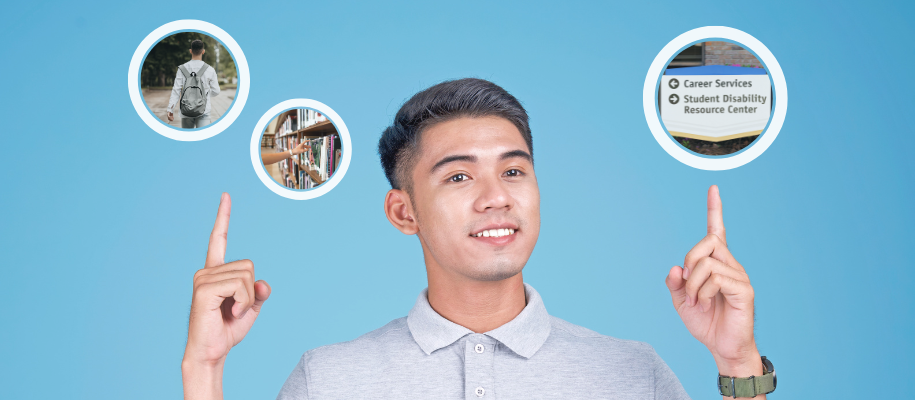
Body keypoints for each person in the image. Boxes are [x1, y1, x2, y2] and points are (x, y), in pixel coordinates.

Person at [182, 79, 771, 399]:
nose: (497, 196)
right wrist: (204, 370)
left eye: (514, 170)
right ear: (403, 212)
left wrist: (737, 361)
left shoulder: (631, 374)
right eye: (459, 176)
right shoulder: (330, 380)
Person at [167, 39, 220, 129]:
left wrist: (170, 109)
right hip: (204, 110)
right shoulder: (210, 69)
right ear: (203, 51)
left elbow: (176, 90)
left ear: (190, 51)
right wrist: (204, 95)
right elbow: (216, 91)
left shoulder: (182, 69)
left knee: (187, 139)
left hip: (186, 110)